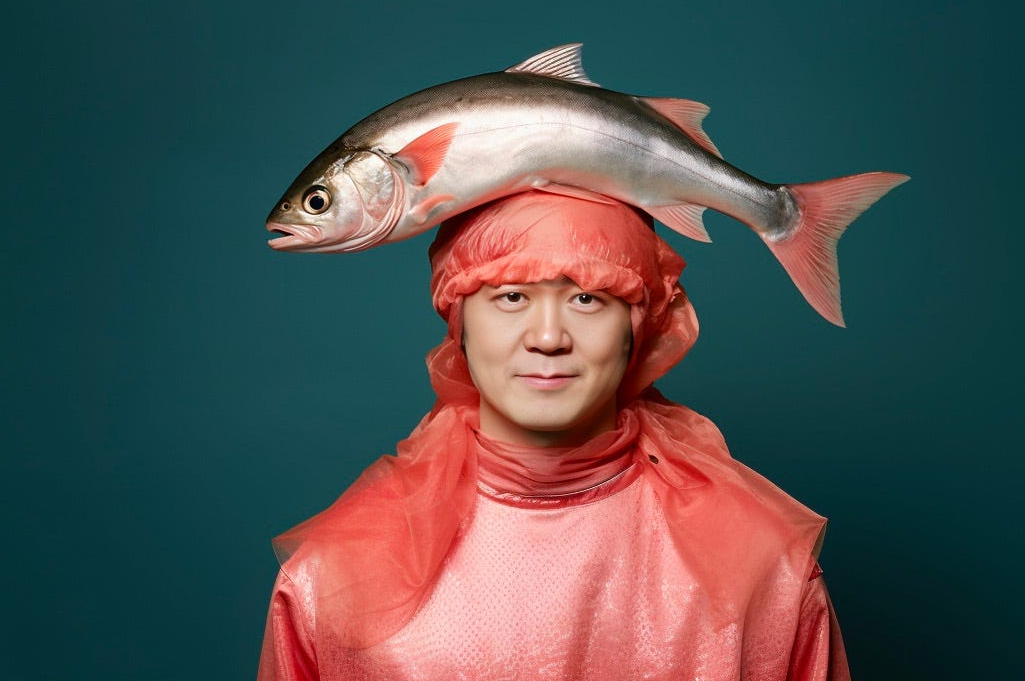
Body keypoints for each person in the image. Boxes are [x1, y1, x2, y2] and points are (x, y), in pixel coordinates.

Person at [257, 191, 850, 680]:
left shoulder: (764, 569)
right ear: (458, 322)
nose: (547, 338)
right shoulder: (333, 576)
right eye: (511, 296)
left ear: (640, 328)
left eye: (588, 298)